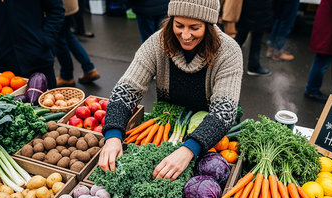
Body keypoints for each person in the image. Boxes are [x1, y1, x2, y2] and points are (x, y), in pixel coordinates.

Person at [98, 0, 243, 180]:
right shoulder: (157, 43)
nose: (186, 35)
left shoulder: (229, 52)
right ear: (171, 20)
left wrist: (189, 149)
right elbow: (127, 89)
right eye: (179, 25)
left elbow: (224, 111)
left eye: (195, 27)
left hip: (212, 132)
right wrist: (113, 135)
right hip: (169, 125)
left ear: (209, 26)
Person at [0, 0, 64, 89]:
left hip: (39, 57)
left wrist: (46, 39)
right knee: (11, 105)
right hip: (4, 59)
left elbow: (56, 9)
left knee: (50, 104)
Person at [56, 0, 100, 86]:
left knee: (58, 39)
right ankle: (89, 69)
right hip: (69, 4)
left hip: (57, 5)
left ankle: (66, 76)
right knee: (67, 34)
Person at [234, 0, 273, 76]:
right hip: (258, 9)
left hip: (249, 8)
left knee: (241, 36)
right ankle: (253, 66)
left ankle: (221, 59)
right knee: (255, 37)